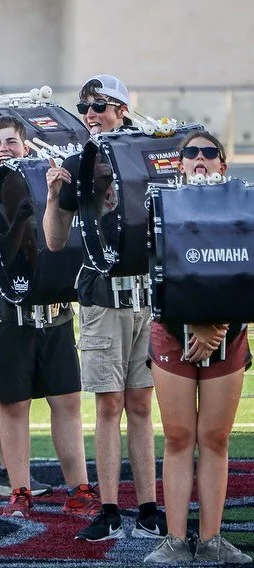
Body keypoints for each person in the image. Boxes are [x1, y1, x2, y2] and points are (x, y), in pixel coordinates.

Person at [0, 116, 100, 518]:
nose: (3, 149)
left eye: (11, 141)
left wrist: (56, 196)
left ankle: (80, 488)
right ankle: (19, 490)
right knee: (13, 405)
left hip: (53, 313)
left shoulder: (50, 183)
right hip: (4, 314)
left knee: (66, 400)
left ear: (26, 145)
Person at [43, 75, 166, 541]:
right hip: (102, 296)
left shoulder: (144, 157)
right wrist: (56, 196)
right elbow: (55, 241)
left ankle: (150, 505)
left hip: (145, 298)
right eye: (85, 106)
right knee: (109, 402)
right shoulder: (80, 161)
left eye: (101, 105)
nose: (91, 113)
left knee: (141, 402)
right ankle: (111, 506)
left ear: (123, 111)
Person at [143, 132, 252, 564]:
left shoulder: (243, 205)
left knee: (215, 438)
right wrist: (192, 324)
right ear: (179, 163)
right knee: (178, 436)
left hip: (230, 334)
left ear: (223, 164)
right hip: (173, 332)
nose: (200, 159)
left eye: (210, 153)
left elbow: (246, 274)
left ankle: (211, 539)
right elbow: (155, 277)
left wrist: (219, 325)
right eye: (191, 152)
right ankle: (173, 539)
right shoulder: (161, 205)